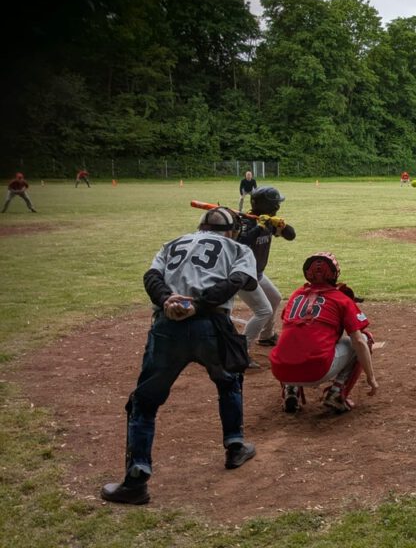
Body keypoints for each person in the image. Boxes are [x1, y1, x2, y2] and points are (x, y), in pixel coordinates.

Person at [100, 207, 259, 505]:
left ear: (200, 226)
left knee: (145, 403)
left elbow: (151, 277)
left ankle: (135, 482)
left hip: (168, 327)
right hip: (212, 325)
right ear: (231, 230)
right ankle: (235, 447)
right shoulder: (238, 248)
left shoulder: (172, 243)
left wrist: (166, 299)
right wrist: (199, 305)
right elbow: (237, 282)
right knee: (228, 382)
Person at [270, 252, 379, 413]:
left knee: (294, 338)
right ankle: (336, 393)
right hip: (317, 370)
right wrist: (371, 378)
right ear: (334, 274)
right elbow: (359, 342)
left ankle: (290, 390)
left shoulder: (296, 295)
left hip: (280, 370)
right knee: (364, 339)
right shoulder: (341, 298)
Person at [237, 186, 296, 355]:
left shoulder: (268, 221)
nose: (278, 206)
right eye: (276, 203)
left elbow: (291, 236)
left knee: (274, 298)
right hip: (241, 275)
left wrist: (282, 225)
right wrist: (259, 227)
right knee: (263, 311)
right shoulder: (246, 222)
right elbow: (241, 243)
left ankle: (266, 336)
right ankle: (241, 352)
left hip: (256, 273)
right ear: (270, 205)